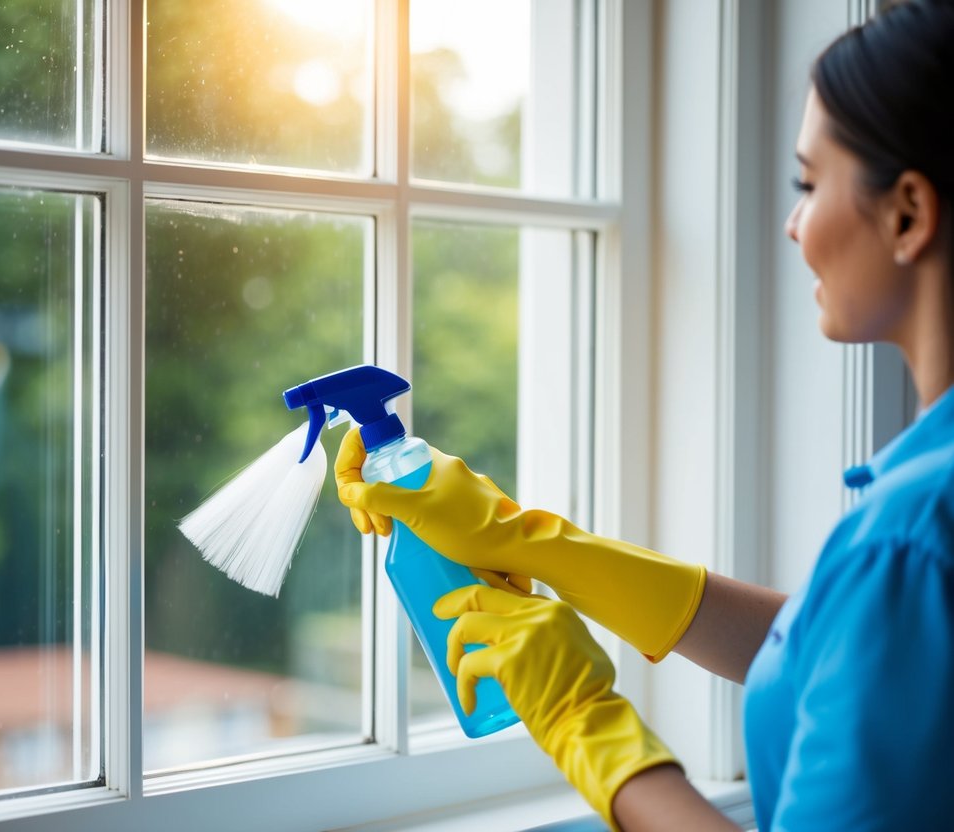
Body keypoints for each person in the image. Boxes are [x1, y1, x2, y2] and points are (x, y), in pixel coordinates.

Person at [334, 1, 954, 828]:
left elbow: (874, 611)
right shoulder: (920, 516)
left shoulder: (908, 535)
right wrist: (528, 539)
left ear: (907, 213)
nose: (793, 224)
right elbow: (836, 652)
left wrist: (582, 721)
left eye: (808, 183)